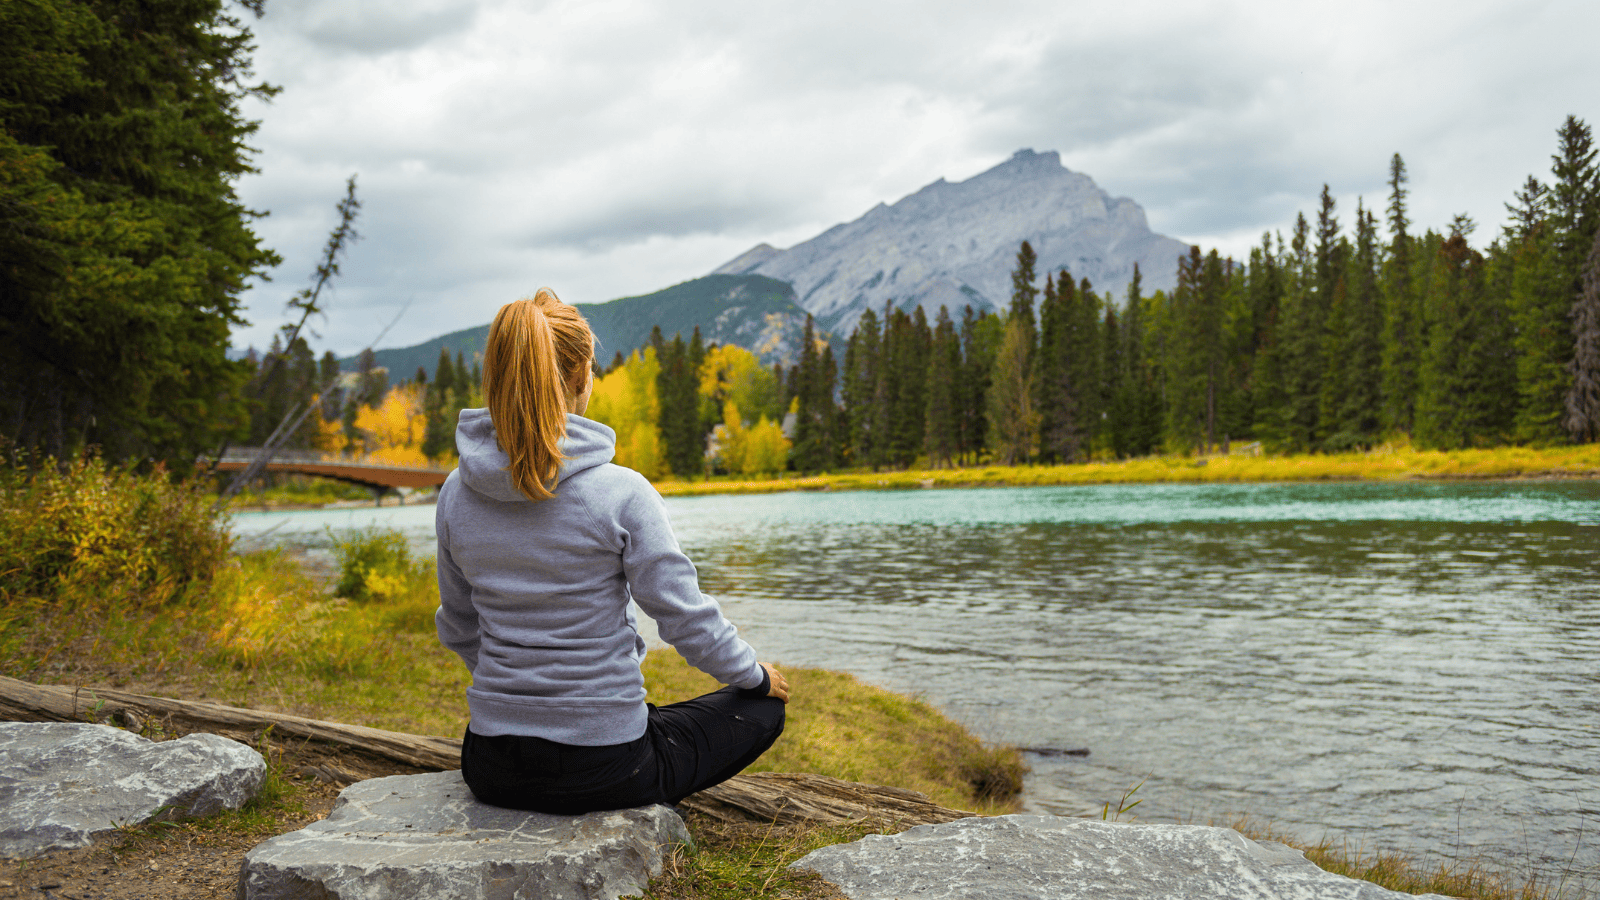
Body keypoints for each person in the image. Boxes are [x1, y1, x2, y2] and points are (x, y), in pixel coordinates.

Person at [434, 288, 789, 815]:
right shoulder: (621, 492)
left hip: (492, 764)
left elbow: (459, 625)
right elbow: (683, 617)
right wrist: (755, 676)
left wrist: (518, 699)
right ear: (582, 377)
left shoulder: (454, 493)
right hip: (605, 767)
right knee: (762, 710)